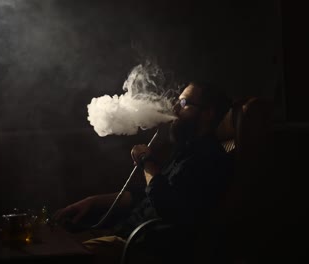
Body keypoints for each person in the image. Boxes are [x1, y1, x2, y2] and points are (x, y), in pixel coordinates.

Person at [53, 81, 233, 263]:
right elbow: (144, 196)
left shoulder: (210, 159)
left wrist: (147, 161)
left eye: (184, 103)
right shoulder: (186, 151)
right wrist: (93, 201)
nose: (175, 108)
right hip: (125, 237)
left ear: (208, 113)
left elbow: (167, 206)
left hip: (142, 249)